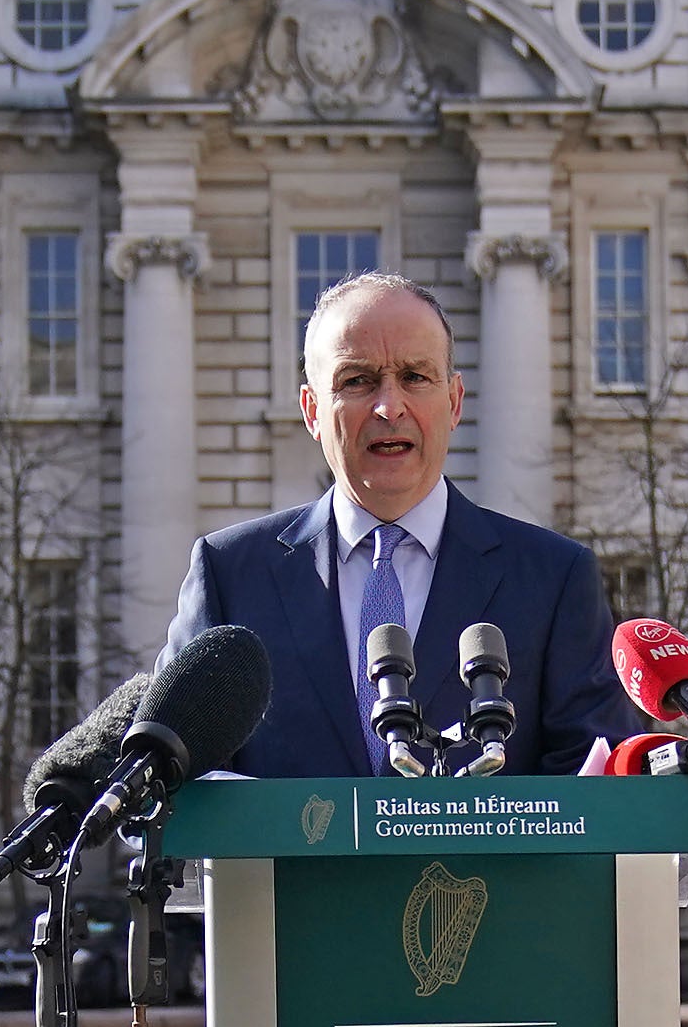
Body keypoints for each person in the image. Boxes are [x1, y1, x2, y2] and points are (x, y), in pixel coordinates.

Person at [162, 272, 632, 779]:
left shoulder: (554, 579)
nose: (389, 407)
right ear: (313, 410)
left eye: (414, 377)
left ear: (453, 402)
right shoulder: (232, 576)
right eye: (358, 380)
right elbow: (163, 783)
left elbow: (598, 798)